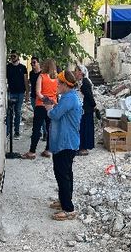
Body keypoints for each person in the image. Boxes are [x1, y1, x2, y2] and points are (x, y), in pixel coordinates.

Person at [45, 70, 82, 221]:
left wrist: (49, 109)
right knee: (65, 173)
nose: (57, 85)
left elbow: (55, 115)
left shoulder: (69, 99)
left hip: (66, 143)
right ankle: (64, 200)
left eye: (59, 83)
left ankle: (68, 209)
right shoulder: (68, 97)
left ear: (66, 85)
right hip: (66, 142)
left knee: (63, 174)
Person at [22, 58, 58, 159]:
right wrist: (52, 102)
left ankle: (32, 152)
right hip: (52, 106)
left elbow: (38, 92)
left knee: (36, 129)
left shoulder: (41, 77)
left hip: (41, 106)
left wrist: (45, 101)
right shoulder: (56, 79)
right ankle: (48, 150)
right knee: (50, 128)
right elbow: (57, 93)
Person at [74, 64, 96, 156]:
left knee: (85, 128)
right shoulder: (82, 82)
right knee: (82, 128)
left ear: (81, 72)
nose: (75, 72)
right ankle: (81, 147)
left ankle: (84, 148)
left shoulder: (85, 83)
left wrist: (94, 106)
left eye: (76, 71)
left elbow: (89, 97)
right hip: (84, 109)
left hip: (86, 110)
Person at [6, 50, 29, 139]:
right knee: (9, 113)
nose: (12, 58)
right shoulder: (8, 67)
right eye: (11, 56)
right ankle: (8, 131)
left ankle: (17, 131)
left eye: (14, 56)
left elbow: (26, 81)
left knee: (18, 112)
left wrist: (27, 93)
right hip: (10, 92)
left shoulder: (23, 67)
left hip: (20, 92)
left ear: (18, 56)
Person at [28, 56, 47, 141]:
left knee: (41, 116)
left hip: (41, 97)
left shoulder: (43, 74)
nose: (32, 64)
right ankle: (37, 132)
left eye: (34, 62)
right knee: (36, 115)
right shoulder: (31, 73)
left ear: (38, 63)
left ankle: (45, 132)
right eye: (31, 63)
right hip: (33, 96)